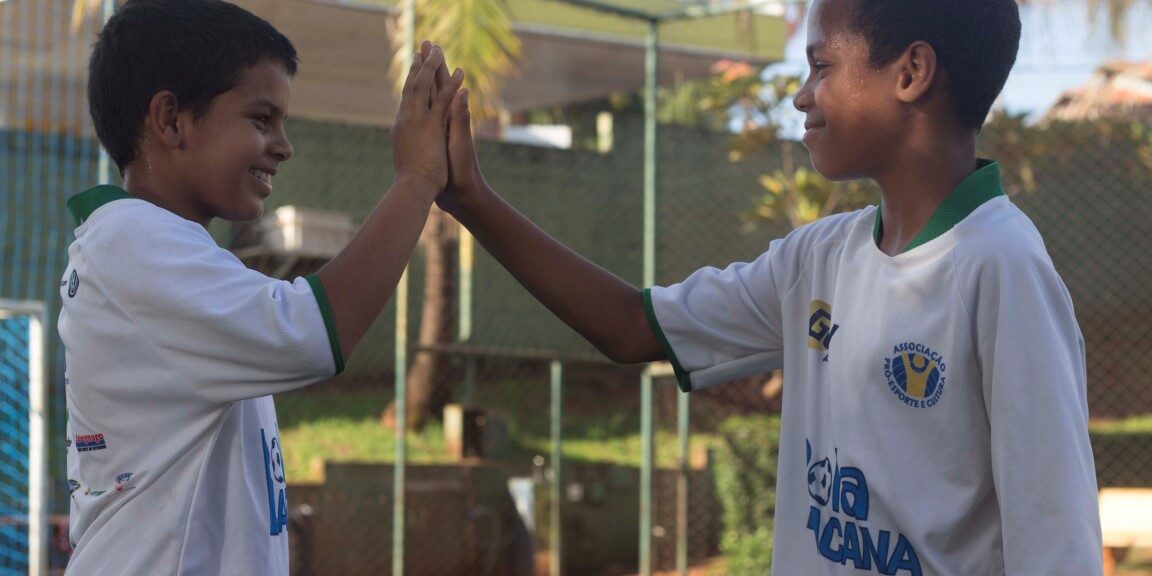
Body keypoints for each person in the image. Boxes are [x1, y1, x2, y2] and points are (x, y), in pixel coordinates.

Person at [436, 0, 1103, 573]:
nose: (800, 95)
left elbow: (1055, 546)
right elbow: (631, 326)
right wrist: (471, 200)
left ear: (910, 73)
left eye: (821, 67)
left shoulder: (1002, 267)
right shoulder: (815, 259)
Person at [59, 0, 463, 573]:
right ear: (171, 119)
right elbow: (312, 334)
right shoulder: (132, 239)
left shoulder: (162, 253)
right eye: (260, 119)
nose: (283, 145)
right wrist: (416, 180)